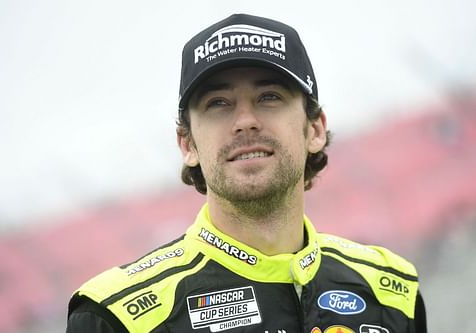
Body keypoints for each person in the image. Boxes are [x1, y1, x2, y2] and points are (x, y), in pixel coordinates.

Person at [66, 13, 427, 333]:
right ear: (187, 144)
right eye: (217, 103)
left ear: (315, 129)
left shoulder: (391, 292)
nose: (245, 122)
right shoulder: (115, 317)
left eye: (269, 96)